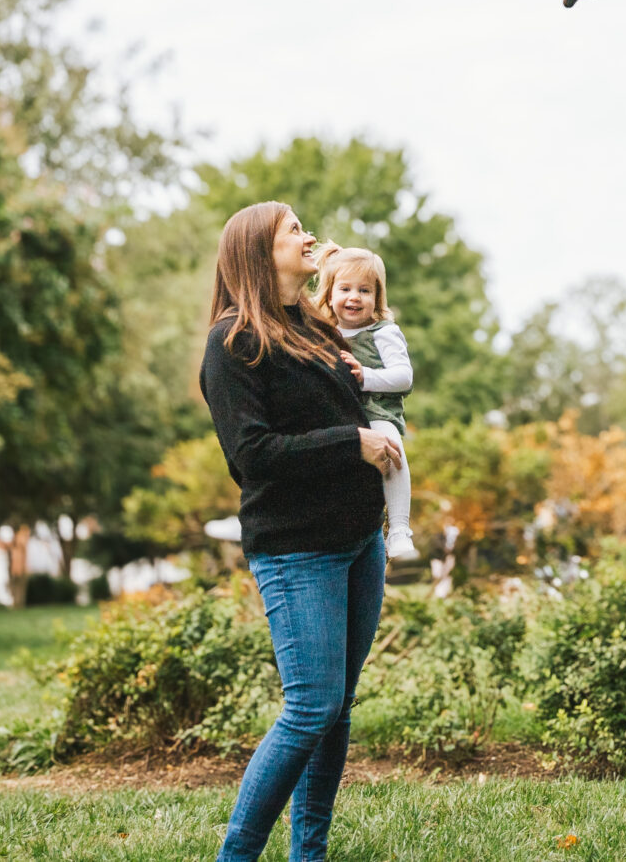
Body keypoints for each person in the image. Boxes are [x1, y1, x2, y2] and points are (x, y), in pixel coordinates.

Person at [198, 201, 406, 862]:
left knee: (337, 706)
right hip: (296, 547)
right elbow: (252, 453)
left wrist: (340, 269)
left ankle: (307, 853)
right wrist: (353, 442)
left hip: (357, 540)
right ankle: (237, 854)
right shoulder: (234, 341)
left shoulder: (314, 328)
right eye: (294, 229)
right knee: (311, 705)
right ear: (261, 252)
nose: (308, 234)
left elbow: (371, 348)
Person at [316, 246, 419, 562]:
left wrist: (366, 377)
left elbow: (404, 376)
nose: (354, 297)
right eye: (345, 289)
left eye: (364, 290)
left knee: (391, 446)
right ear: (330, 293)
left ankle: (400, 528)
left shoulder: (383, 332)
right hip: (339, 413)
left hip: (375, 410)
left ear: (378, 297)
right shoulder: (324, 331)